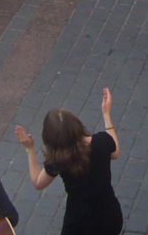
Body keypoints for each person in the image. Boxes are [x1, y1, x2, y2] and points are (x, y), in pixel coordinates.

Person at [15, 89, 121, 235]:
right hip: (108, 214)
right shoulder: (101, 142)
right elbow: (115, 153)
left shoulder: (58, 160)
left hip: (79, 222)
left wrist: (30, 149)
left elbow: (38, 183)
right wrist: (106, 114)